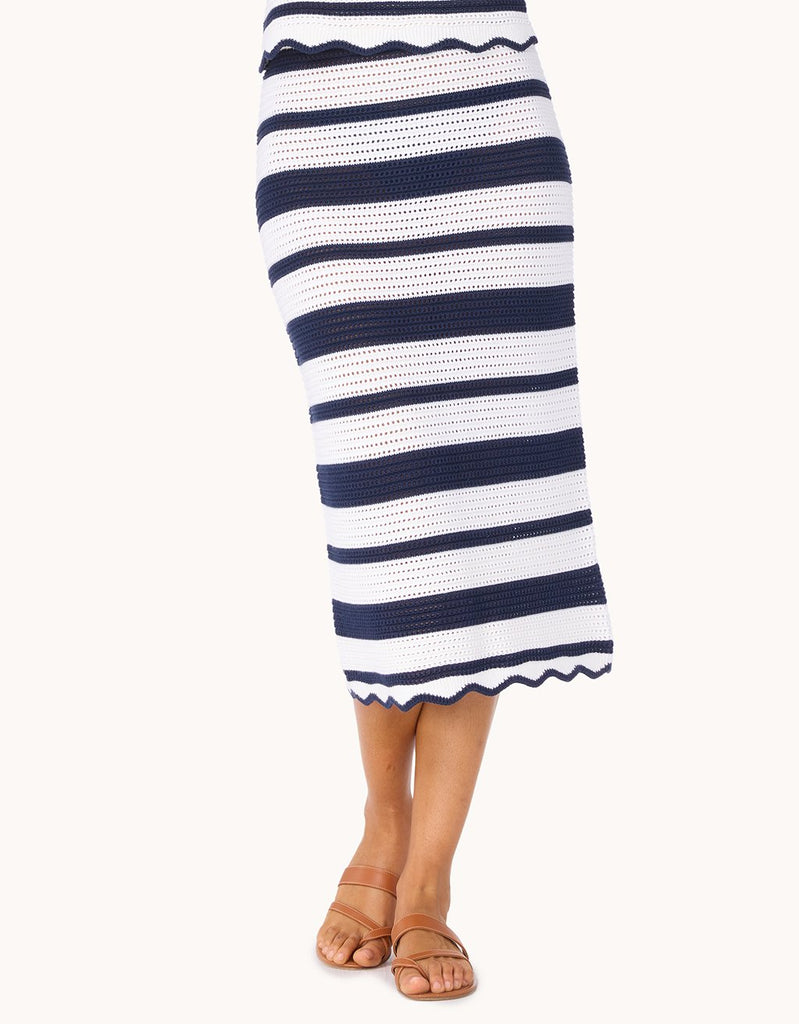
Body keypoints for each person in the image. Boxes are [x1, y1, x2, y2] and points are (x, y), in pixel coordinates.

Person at [254, 0, 614, 1001]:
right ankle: (384, 818)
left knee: (476, 499)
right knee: (383, 506)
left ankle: (427, 876)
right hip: (324, 102)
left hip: (484, 100)